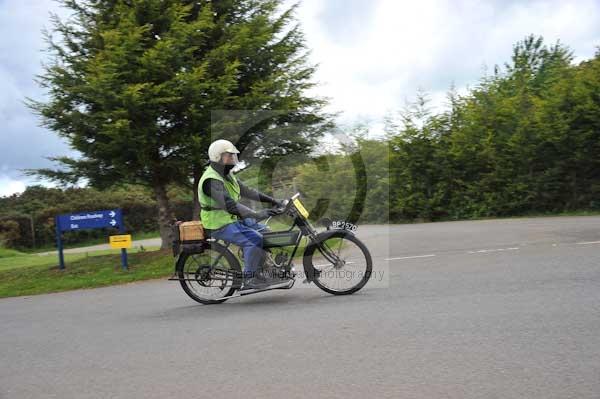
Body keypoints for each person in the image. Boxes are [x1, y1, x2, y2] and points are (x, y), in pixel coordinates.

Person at [199, 139, 285, 290]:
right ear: (218, 157)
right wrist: (256, 214)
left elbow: (248, 192)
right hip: (218, 223)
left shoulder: (227, 175)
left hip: (232, 219)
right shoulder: (211, 180)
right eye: (229, 156)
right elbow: (229, 205)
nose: (233, 159)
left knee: (265, 232)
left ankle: (264, 268)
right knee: (253, 240)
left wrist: (273, 201)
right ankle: (249, 278)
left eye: (233, 156)